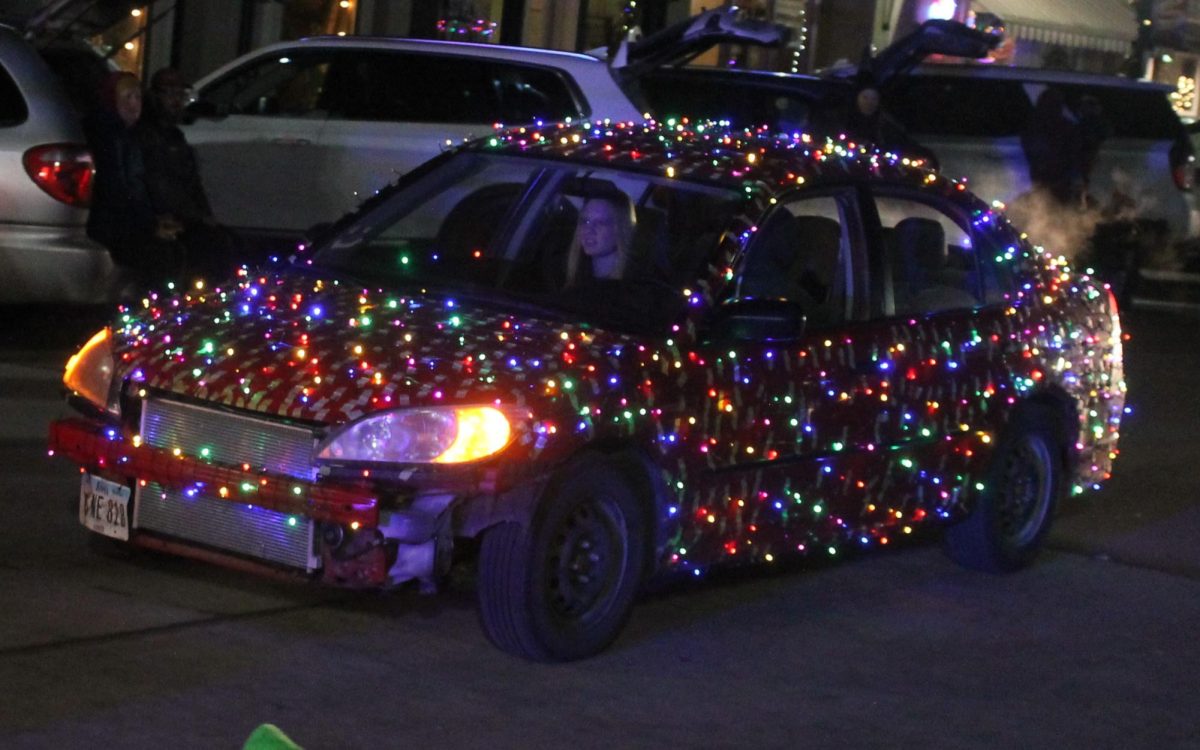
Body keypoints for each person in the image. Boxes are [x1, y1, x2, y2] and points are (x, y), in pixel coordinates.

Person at [84, 71, 185, 291]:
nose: (134, 104)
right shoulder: (108, 136)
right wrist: (150, 225)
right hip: (112, 225)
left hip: (130, 220)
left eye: (137, 97)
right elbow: (118, 190)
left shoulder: (131, 135)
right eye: (127, 98)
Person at [136, 67, 237, 279]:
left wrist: (204, 214)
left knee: (227, 242)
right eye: (169, 93)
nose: (176, 101)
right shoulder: (143, 135)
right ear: (155, 95)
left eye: (180, 94)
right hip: (157, 218)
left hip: (182, 216)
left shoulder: (174, 136)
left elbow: (191, 181)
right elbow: (150, 183)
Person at [563, 193, 637, 286]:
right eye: (585, 221)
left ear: (620, 228)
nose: (589, 230)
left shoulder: (637, 283)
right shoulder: (576, 273)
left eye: (600, 223)